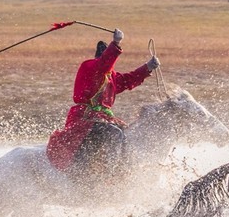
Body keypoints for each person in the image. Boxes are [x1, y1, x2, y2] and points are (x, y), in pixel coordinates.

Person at [46, 28, 160, 179]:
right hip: (85, 117)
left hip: (102, 118)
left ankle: (122, 172)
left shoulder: (110, 76)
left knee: (126, 133)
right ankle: (105, 174)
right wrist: (116, 43)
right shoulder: (89, 66)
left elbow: (127, 80)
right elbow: (102, 65)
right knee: (114, 133)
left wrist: (147, 68)